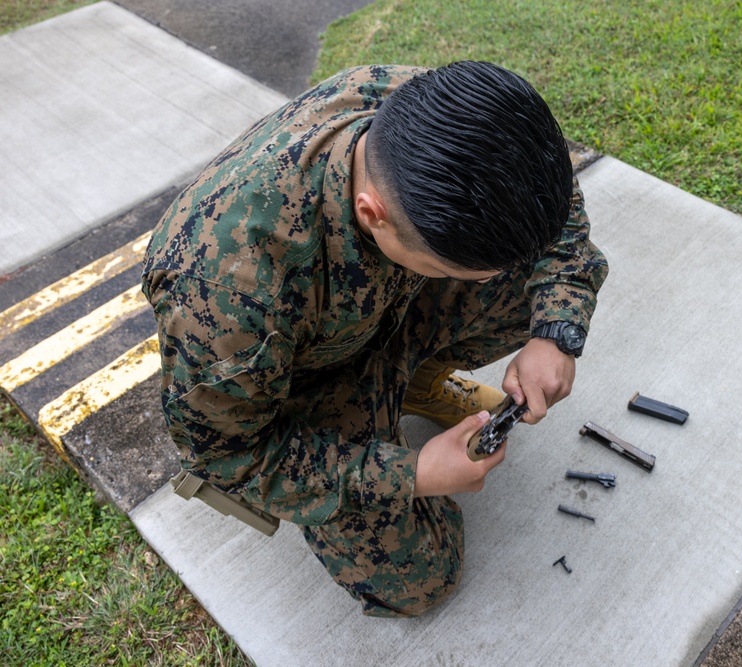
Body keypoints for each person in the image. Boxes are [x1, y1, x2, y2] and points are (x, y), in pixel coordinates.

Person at [141, 61, 608, 617]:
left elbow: (550, 202)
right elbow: (227, 453)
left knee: (532, 281)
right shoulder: (230, 294)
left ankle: (413, 382)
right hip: (309, 375)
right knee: (420, 582)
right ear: (373, 214)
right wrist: (410, 475)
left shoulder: (428, 108)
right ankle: (384, 401)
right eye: (460, 268)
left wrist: (555, 333)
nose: (485, 281)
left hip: (388, 306)